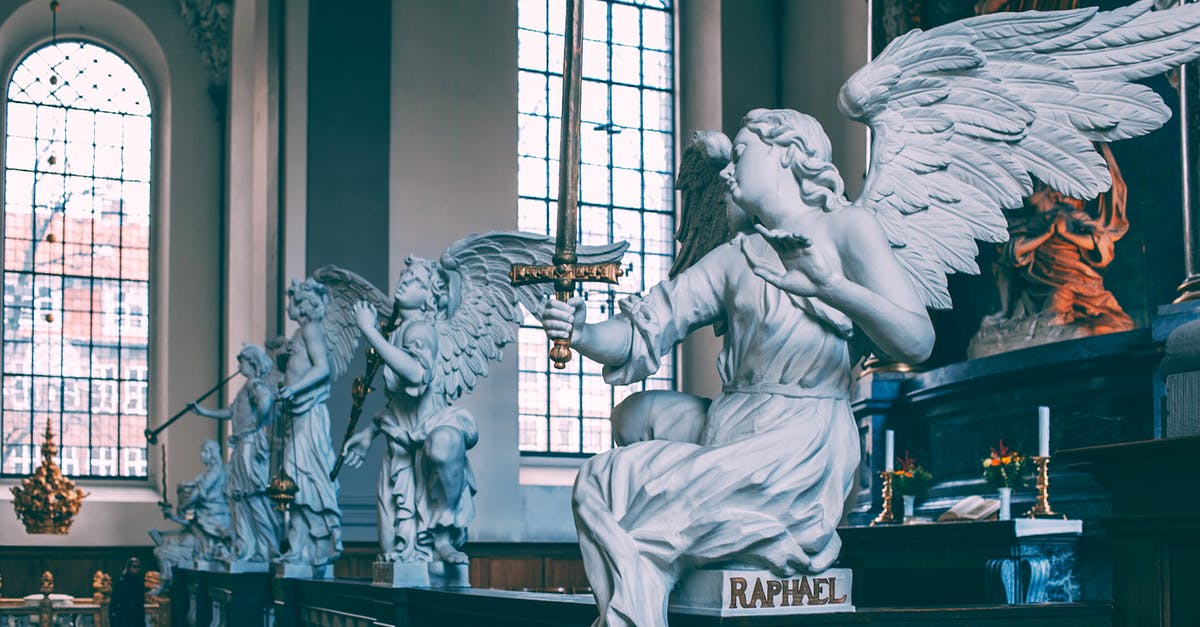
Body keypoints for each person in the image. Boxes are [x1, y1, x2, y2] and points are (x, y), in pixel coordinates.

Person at [540, 109, 935, 627]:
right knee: (604, 472)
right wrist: (583, 332)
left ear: (787, 154)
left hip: (800, 443)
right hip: (734, 426)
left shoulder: (847, 229)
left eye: (742, 153)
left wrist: (832, 288)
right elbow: (650, 323)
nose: (727, 171)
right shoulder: (737, 256)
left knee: (632, 502)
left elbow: (918, 339)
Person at [341, 257, 477, 566]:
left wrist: (368, 330)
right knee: (394, 550)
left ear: (430, 295)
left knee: (443, 447)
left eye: (415, 281)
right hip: (401, 441)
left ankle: (442, 536)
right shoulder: (399, 332)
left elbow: (417, 374)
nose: (404, 282)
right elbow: (399, 404)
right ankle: (432, 544)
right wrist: (369, 432)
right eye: (404, 276)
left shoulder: (421, 330)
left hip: (431, 428)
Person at [189, 344, 280, 564]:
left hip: (249, 443)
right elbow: (231, 413)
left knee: (252, 495)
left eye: (242, 362)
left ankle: (267, 546)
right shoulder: (244, 389)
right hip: (240, 445)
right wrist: (204, 412)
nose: (239, 366)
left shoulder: (255, 385)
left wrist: (255, 425)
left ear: (253, 363)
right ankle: (244, 548)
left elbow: (266, 401)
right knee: (238, 497)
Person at [277, 279, 343, 568]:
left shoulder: (311, 329)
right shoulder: (300, 331)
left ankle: (321, 539)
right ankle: (300, 545)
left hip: (310, 414)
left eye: (295, 300)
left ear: (307, 304)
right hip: (297, 415)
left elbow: (322, 368)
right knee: (297, 480)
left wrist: (294, 389)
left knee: (305, 475)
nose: (291, 306)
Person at [149, 440, 231, 590]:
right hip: (202, 520)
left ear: (213, 454)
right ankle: (166, 580)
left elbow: (199, 491)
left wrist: (183, 505)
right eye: (202, 451)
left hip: (213, 519)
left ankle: (167, 581)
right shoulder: (205, 473)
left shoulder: (216, 471)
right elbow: (187, 522)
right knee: (165, 547)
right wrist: (173, 515)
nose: (202, 455)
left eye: (205, 451)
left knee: (170, 549)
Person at [108, 558, 145, 627]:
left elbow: (141, 603)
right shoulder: (121, 582)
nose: (136, 569)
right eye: (134, 567)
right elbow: (114, 603)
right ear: (128, 568)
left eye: (138, 567)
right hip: (123, 619)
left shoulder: (140, 583)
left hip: (137, 619)